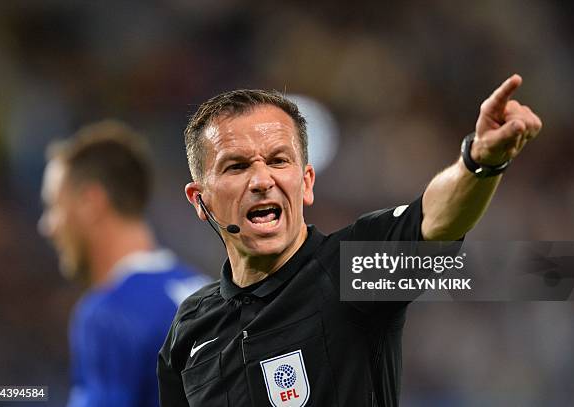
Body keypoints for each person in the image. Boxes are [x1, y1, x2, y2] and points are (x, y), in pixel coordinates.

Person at [157, 74, 542, 406]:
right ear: (200, 199)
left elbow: (433, 222)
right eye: (237, 166)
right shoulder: (191, 328)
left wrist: (480, 162)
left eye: (278, 161)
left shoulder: (349, 270)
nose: (261, 181)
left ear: (305, 183)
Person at [38, 120, 211, 407]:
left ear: (91, 202)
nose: (47, 226)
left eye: (53, 207)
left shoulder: (108, 314)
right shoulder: (206, 292)